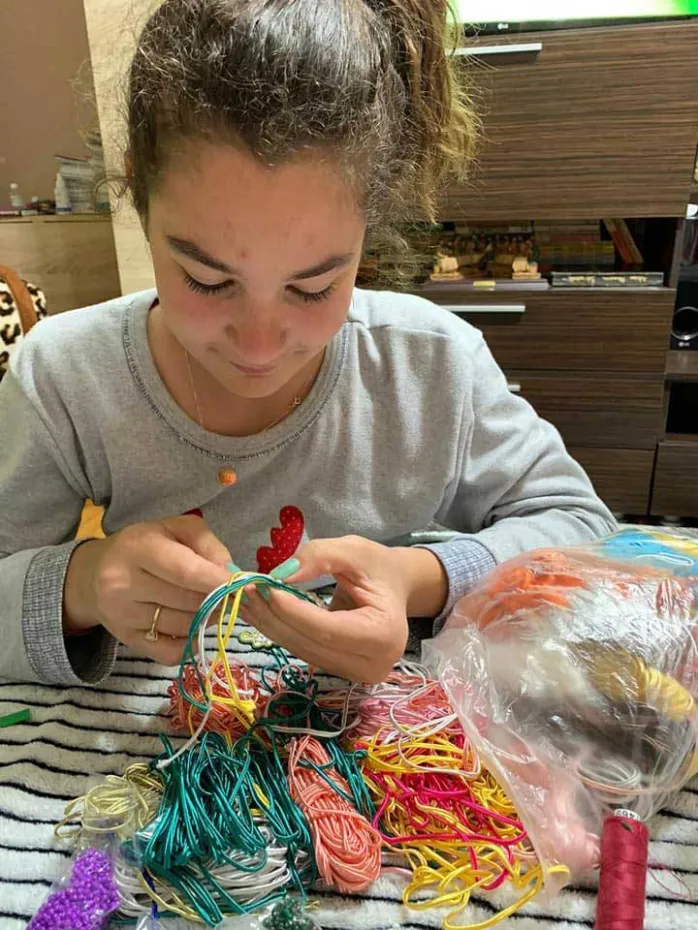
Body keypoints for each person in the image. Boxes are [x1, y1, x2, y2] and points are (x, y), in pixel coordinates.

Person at [0, 0, 615, 688]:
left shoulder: (432, 363)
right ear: (139, 192)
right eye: (207, 280)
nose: (259, 346)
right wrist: (83, 583)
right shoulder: (64, 375)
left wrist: (417, 578)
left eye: (314, 287)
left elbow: (581, 530)